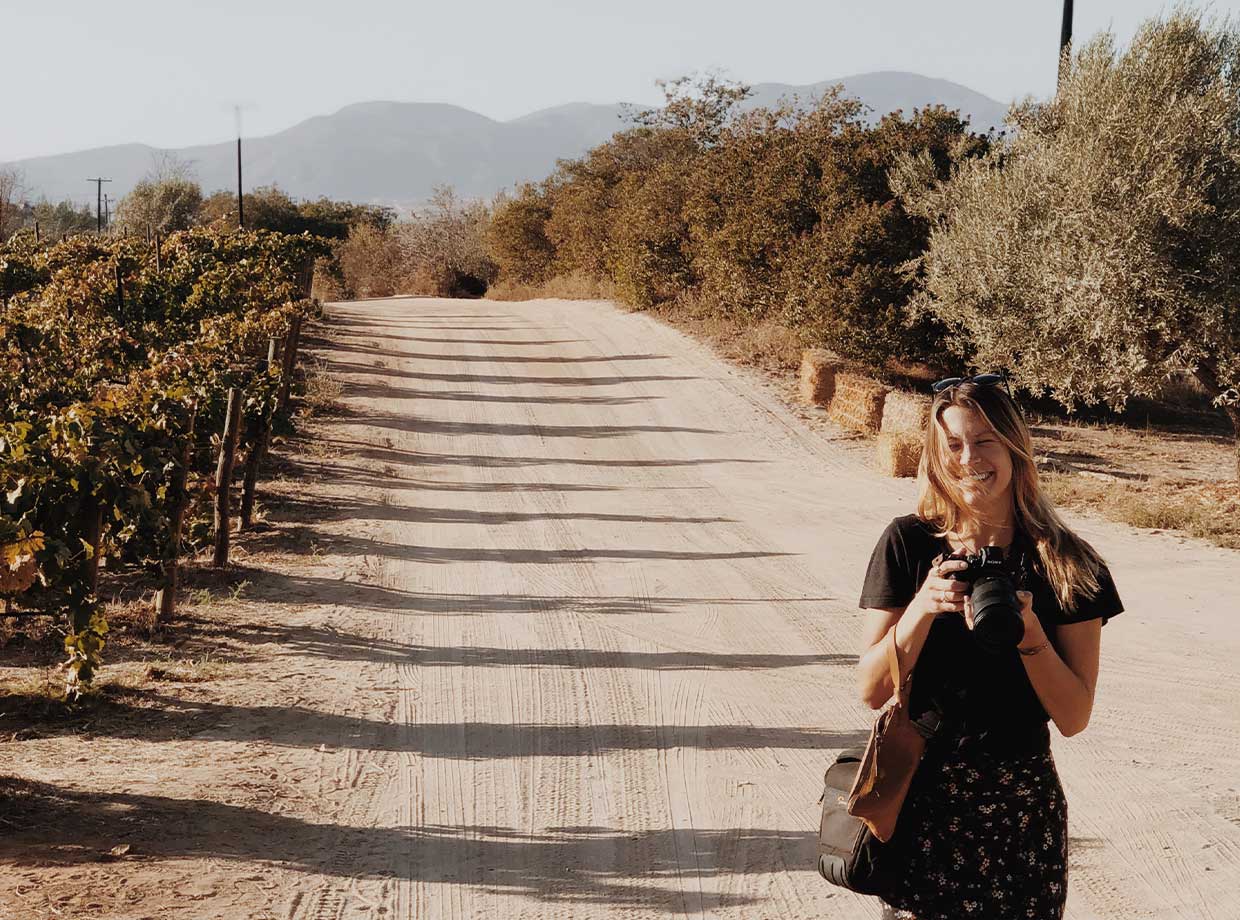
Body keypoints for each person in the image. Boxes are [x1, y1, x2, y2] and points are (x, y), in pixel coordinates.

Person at [856, 375, 1123, 920]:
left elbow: (1073, 716)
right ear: (935, 455)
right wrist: (922, 609)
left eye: (984, 441)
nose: (968, 458)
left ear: (1014, 447)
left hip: (1020, 805)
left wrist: (1031, 636)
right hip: (921, 795)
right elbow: (870, 688)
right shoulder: (908, 543)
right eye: (953, 444)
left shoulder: (1070, 564)